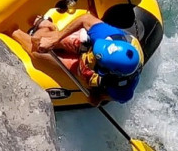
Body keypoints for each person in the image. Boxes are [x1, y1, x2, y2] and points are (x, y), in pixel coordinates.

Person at [11, 13, 142, 104]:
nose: (88, 59)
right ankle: (48, 27)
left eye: (95, 62)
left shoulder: (122, 89)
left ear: (110, 72)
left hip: (95, 69)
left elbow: (114, 96)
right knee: (41, 39)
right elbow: (85, 19)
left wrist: (99, 98)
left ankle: (12, 31)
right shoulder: (105, 35)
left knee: (37, 54)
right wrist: (56, 39)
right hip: (90, 44)